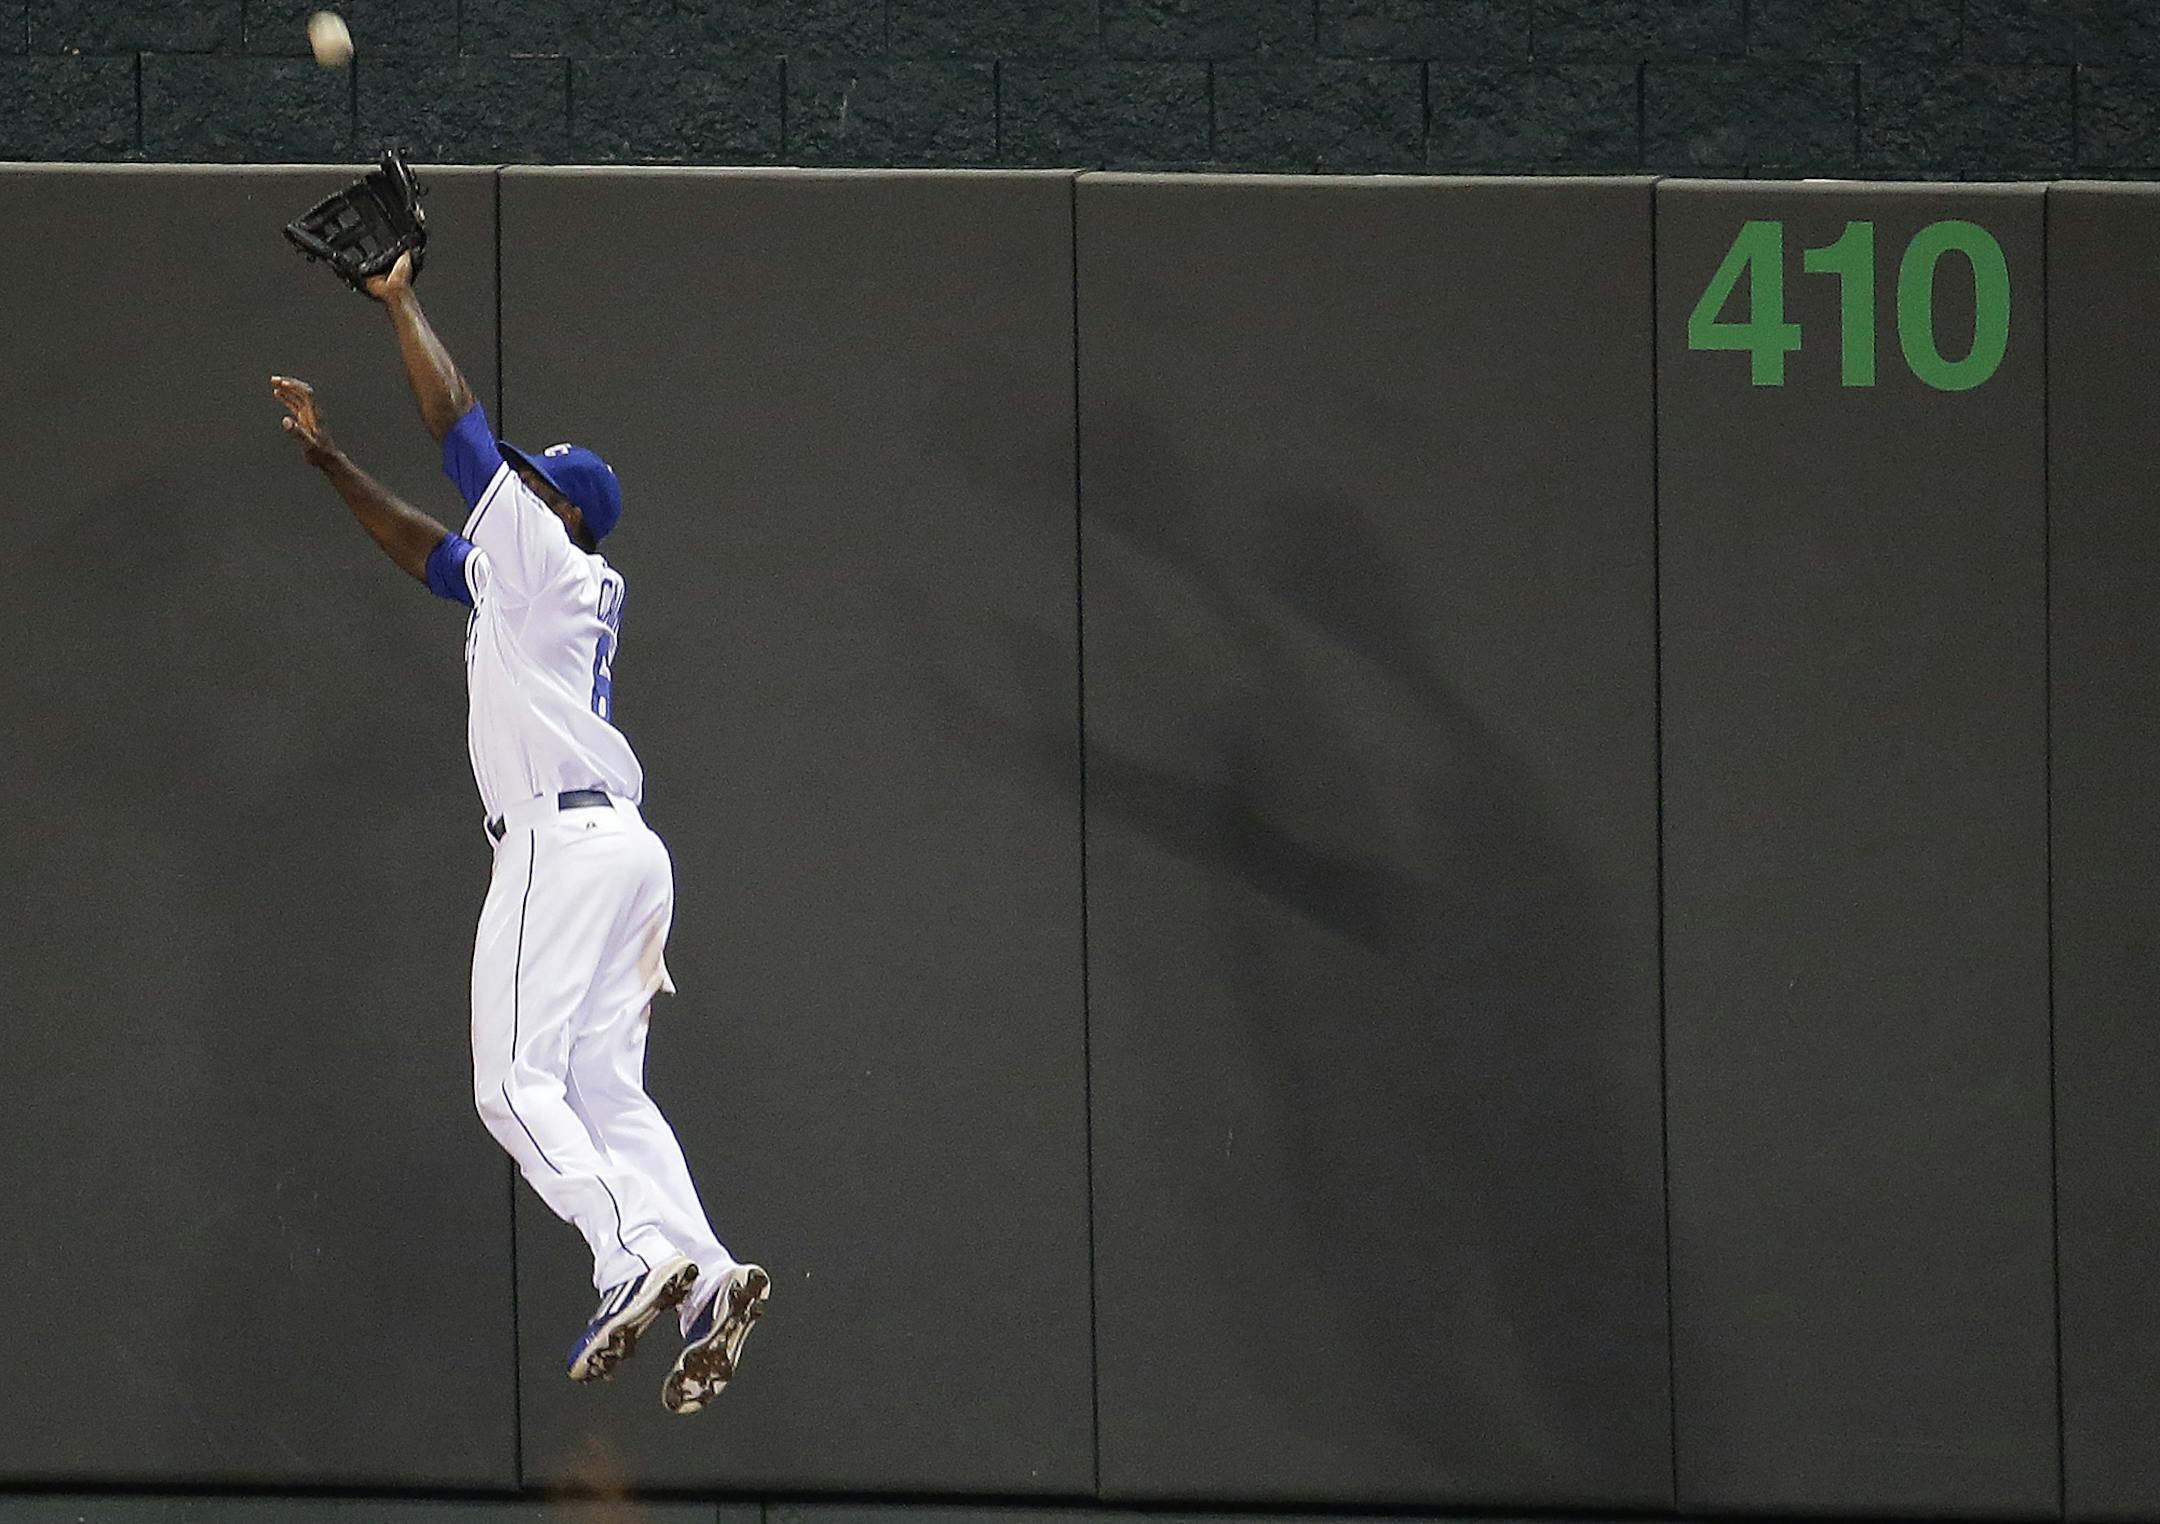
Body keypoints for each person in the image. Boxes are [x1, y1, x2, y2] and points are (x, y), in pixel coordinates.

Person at [269, 250, 767, 1416]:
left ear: (560, 512)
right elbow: (428, 553)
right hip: (627, 854)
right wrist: (332, 460)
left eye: (532, 483)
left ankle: (626, 1260)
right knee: (604, 1088)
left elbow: (456, 431)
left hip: (559, 845)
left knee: (510, 1084)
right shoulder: (526, 585)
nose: (512, 486)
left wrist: (398, 302)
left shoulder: (549, 554)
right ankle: (704, 1276)